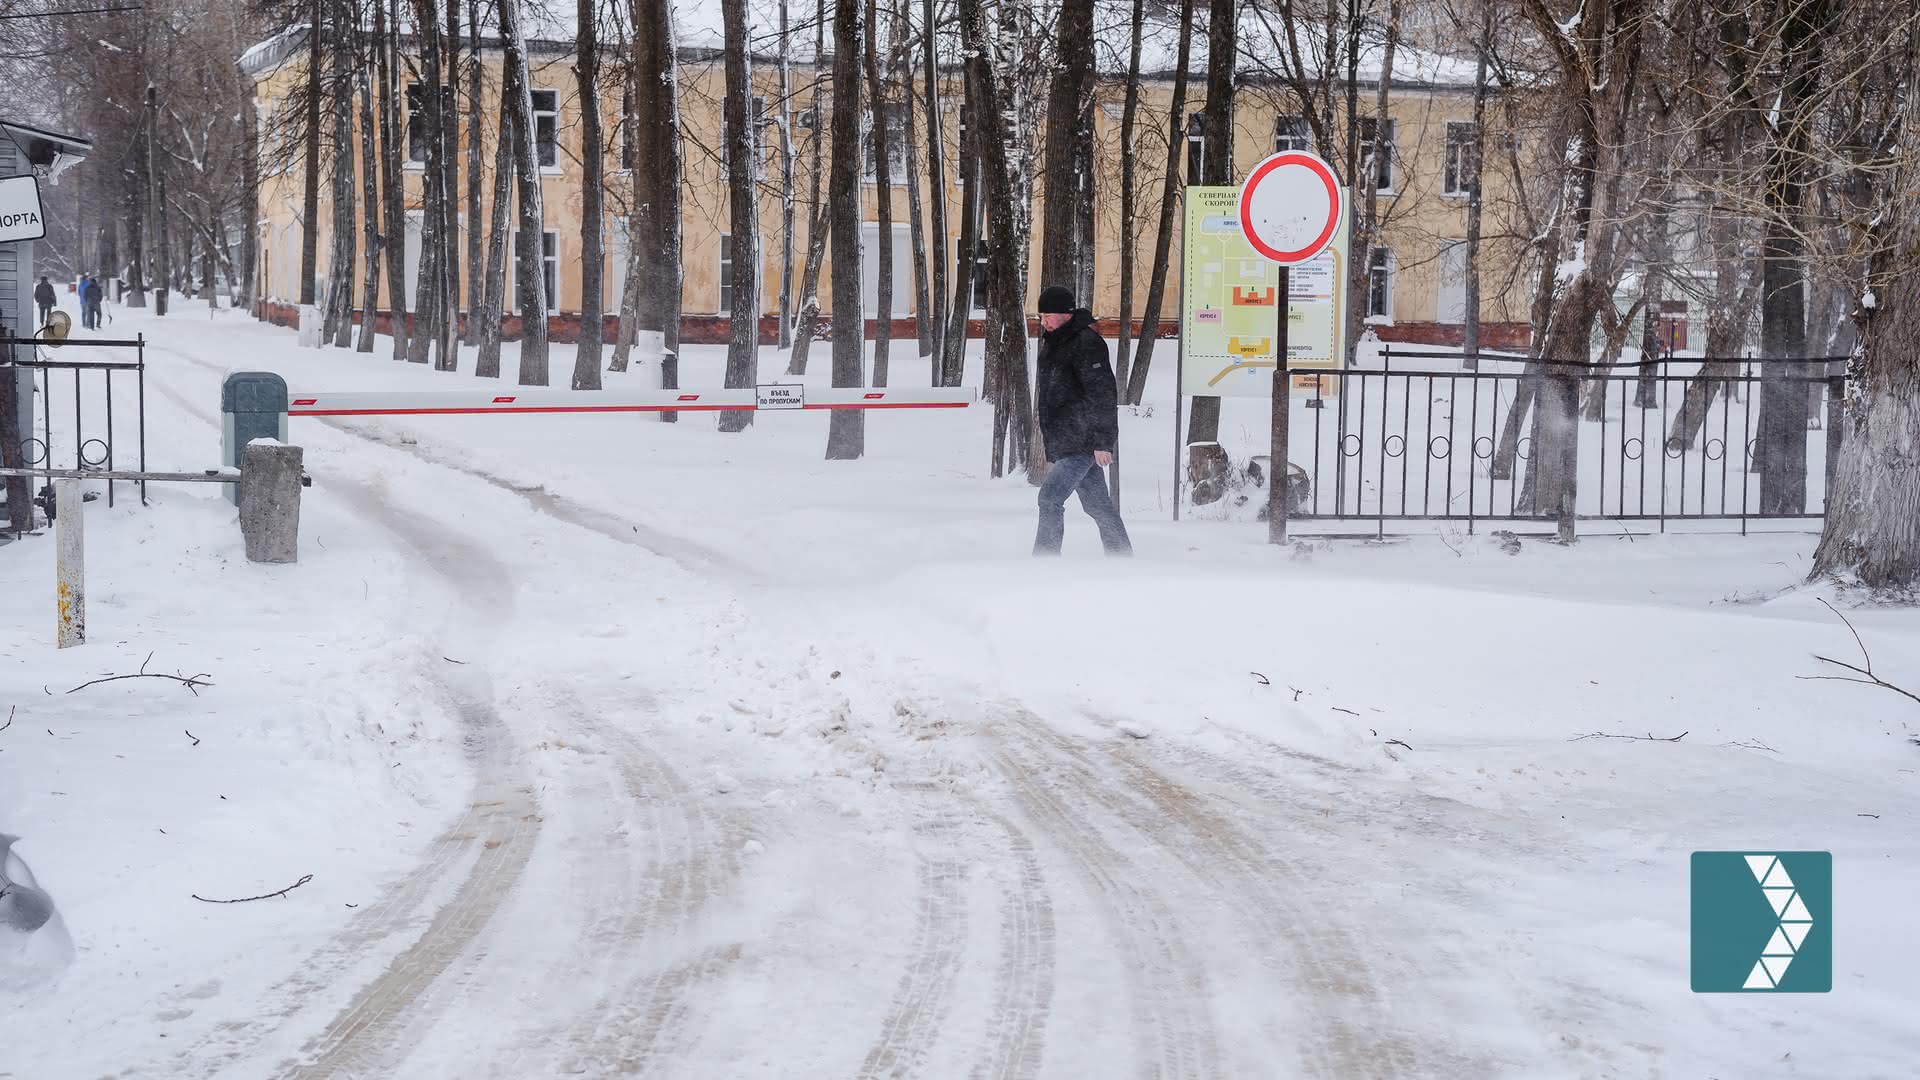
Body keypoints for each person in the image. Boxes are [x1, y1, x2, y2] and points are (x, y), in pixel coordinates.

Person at [1033, 284, 1132, 556]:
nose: (1045, 321)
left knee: (1050, 498)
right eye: (1042, 316)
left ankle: (1043, 560)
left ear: (1066, 314)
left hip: (1082, 439)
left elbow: (1102, 393)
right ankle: (1122, 556)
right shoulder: (1054, 342)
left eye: (1049, 316)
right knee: (1097, 506)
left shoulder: (1086, 343)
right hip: (1068, 438)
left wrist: (1103, 441)